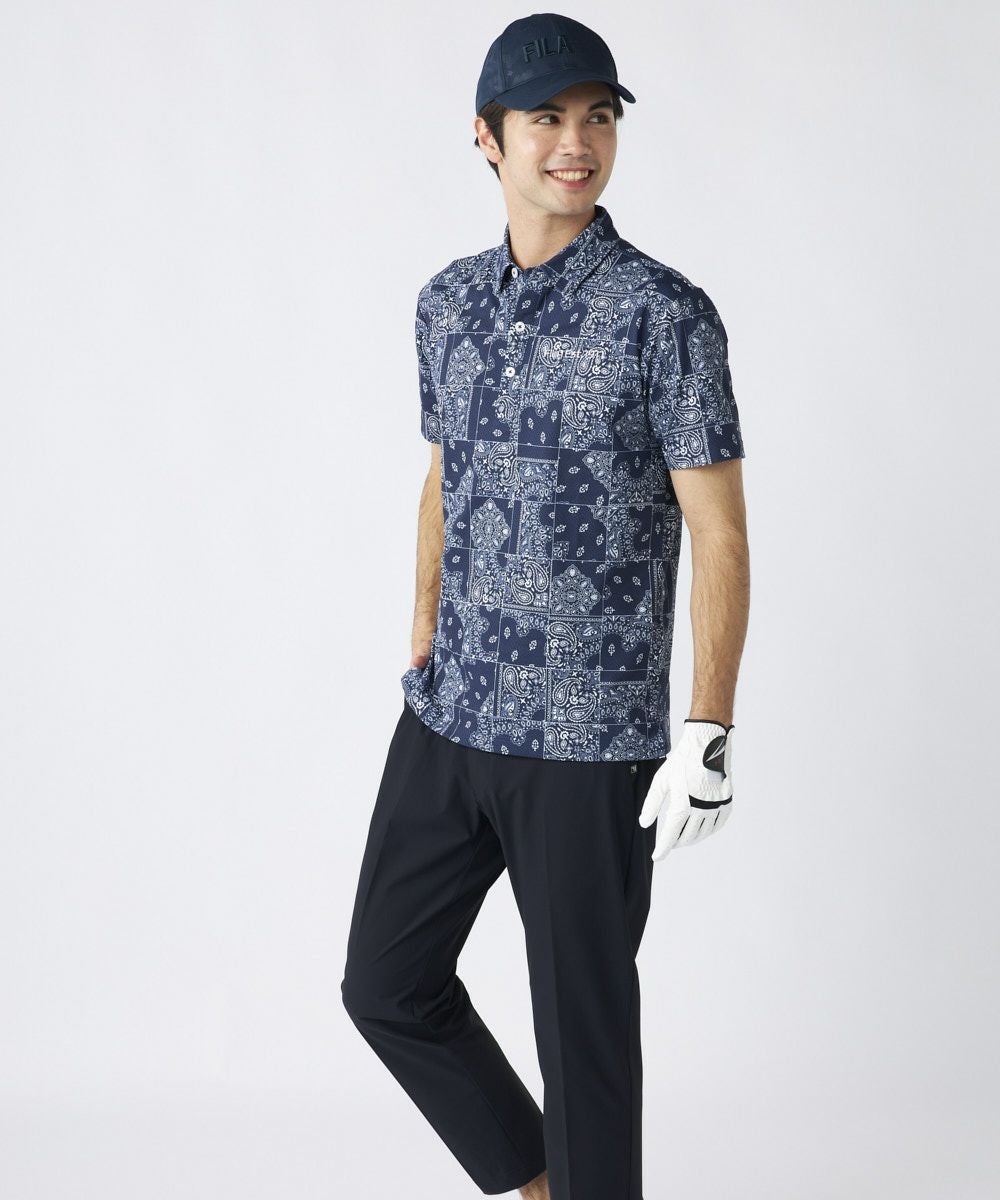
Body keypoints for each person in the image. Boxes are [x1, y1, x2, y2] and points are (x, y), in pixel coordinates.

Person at [340, 13, 750, 1200]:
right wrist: (425, 637)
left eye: (598, 116)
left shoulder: (664, 313)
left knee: (585, 1048)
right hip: (452, 715)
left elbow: (719, 530)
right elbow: (444, 478)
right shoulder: (446, 304)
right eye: (547, 119)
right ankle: (541, 1186)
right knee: (386, 984)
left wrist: (708, 728)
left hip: (587, 743)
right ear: (487, 138)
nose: (577, 142)